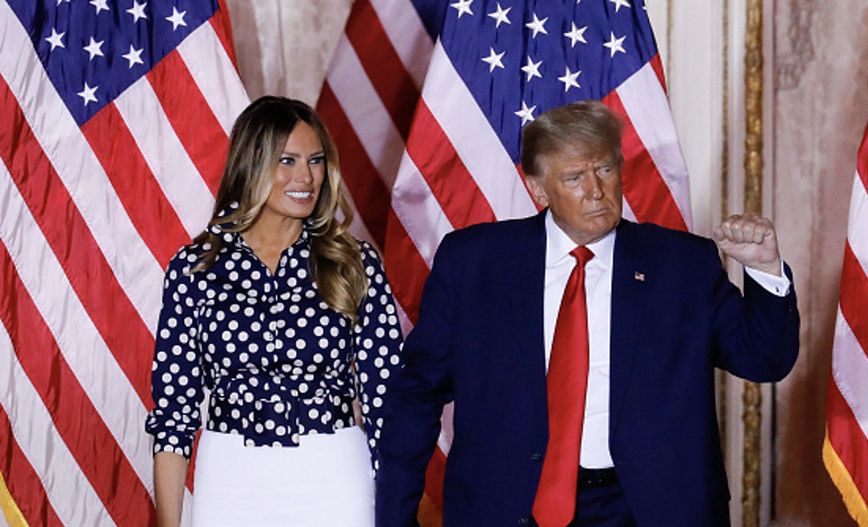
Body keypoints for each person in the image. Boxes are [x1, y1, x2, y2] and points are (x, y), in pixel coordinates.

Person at [375, 100, 799, 526]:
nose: (596, 190)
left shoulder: (680, 264)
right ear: (538, 190)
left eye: (605, 169)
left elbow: (764, 360)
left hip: (646, 509)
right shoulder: (474, 264)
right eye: (575, 177)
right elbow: (417, 395)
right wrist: (394, 516)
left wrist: (764, 270)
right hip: (508, 506)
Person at [145, 96, 403, 527]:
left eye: (316, 161)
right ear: (251, 164)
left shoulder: (353, 262)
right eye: (287, 161)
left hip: (334, 473)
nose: (306, 177)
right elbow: (173, 415)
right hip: (230, 478)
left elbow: (386, 400)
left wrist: (395, 508)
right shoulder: (196, 269)